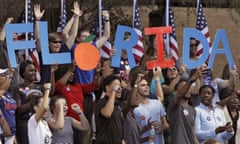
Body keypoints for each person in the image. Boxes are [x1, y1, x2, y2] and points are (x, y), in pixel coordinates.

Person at [133, 67, 169, 144]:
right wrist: (147, 127)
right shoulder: (134, 108)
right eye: (142, 85)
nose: (146, 87)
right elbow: (132, 134)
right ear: (136, 88)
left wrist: (163, 127)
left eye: (147, 85)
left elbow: (166, 125)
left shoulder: (157, 103)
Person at [168, 68, 202, 144]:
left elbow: (192, 133)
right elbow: (180, 95)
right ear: (177, 91)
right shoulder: (174, 104)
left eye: (189, 88)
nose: (187, 89)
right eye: (183, 87)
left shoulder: (193, 110)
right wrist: (191, 80)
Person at [14, 60, 42, 144]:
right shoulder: (18, 88)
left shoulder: (39, 87)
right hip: (24, 125)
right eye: (30, 70)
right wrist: (31, 103)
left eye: (34, 70)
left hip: (39, 123)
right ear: (23, 73)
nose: (33, 72)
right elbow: (18, 110)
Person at [95, 75, 125, 144]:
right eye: (116, 85)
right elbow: (107, 113)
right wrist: (114, 91)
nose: (119, 88)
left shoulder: (118, 106)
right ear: (107, 87)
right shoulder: (101, 102)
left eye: (120, 86)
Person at [0, 68, 16, 144]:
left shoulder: (9, 95)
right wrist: (11, 74)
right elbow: (3, 89)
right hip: (3, 133)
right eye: (3, 75)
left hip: (11, 133)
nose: (6, 76)